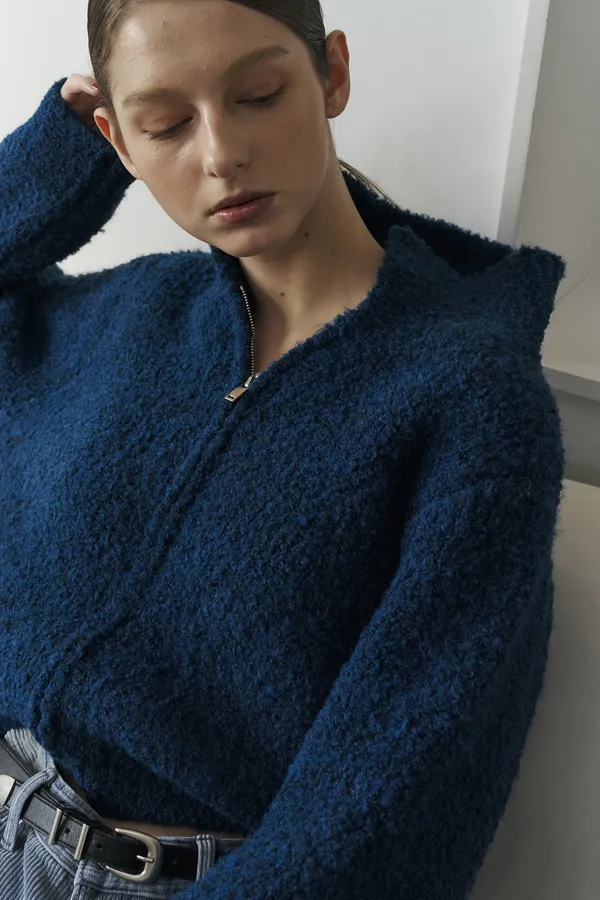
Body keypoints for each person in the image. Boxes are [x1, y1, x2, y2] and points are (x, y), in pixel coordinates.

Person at [0, 0, 566, 898]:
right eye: (165, 124)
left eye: (259, 94)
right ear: (118, 141)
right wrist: (54, 154)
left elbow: (389, 810)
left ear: (332, 74)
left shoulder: (472, 402)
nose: (221, 154)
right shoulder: (126, 317)